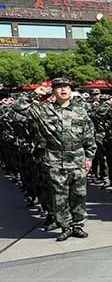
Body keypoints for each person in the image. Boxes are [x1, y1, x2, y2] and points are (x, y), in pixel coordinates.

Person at [14, 78, 97, 241]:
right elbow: (18, 107)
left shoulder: (81, 111)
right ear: (53, 91)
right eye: (58, 87)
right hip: (55, 159)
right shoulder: (43, 110)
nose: (63, 90)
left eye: (66, 87)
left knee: (79, 195)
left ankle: (78, 225)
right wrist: (33, 94)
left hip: (77, 159)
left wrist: (90, 157)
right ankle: (65, 226)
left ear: (70, 90)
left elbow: (89, 136)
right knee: (59, 196)